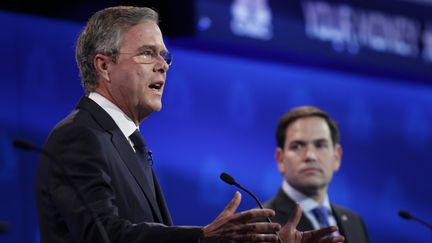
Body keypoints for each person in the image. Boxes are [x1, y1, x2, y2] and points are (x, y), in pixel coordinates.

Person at [35, 6, 343, 243]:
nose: (163, 65)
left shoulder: (127, 141)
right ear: (104, 65)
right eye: (147, 53)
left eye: (164, 55)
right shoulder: (79, 135)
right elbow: (102, 234)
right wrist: (202, 236)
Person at [264, 106, 369, 243]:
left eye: (320, 145)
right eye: (297, 146)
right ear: (280, 159)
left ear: (336, 157)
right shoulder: (261, 224)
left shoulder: (355, 222)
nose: (310, 156)